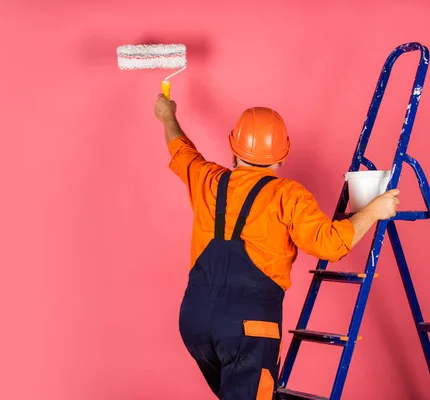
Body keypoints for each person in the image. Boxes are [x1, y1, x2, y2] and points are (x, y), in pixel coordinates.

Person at [154, 94, 400, 400]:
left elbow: (181, 151)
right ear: (282, 156)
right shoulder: (288, 195)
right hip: (249, 328)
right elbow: (332, 244)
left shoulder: (209, 179)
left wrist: (167, 115)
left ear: (233, 150)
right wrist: (374, 211)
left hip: (195, 321)